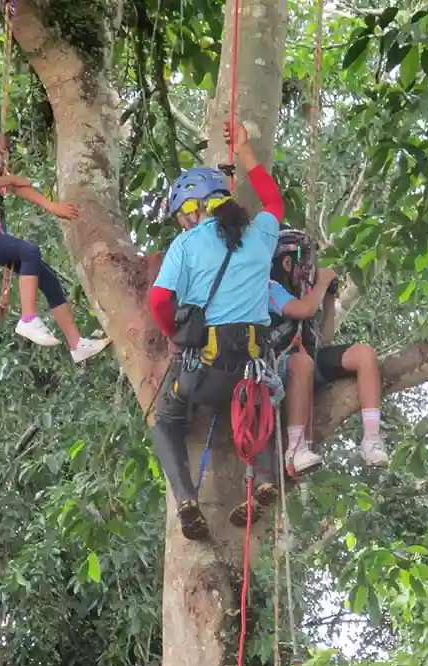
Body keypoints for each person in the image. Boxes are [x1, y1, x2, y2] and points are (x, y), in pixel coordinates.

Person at [147, 120, 286, 540]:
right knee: (256, 406)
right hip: (250, 374)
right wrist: (243, 149)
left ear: (193, 210)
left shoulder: (186, 245)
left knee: (165, 421)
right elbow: (273, 201)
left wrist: (172, 335)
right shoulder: (260, 234)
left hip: (203, 375)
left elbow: (159, 300)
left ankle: (186, 501)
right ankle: (264, 477)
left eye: (183, 216)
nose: (183, 224)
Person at [0, 101, 111, 363]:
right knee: (29, 251)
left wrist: (52, 207)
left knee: (48, 278)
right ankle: (28, 319)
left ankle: (77, 344)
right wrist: (10, 178)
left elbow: (19, 188)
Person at [266, 229, 390, 467]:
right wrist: (322, 282)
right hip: (281, 366)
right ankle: (295, 449)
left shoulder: (303, 293)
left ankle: (372, 439)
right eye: (304, 263)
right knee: (302, 362)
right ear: (287, 263)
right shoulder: (271, 288)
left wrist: (329, 300)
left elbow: (324, 339)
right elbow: (304, 311)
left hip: (310, 361)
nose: (309, 270)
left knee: (364, 354)